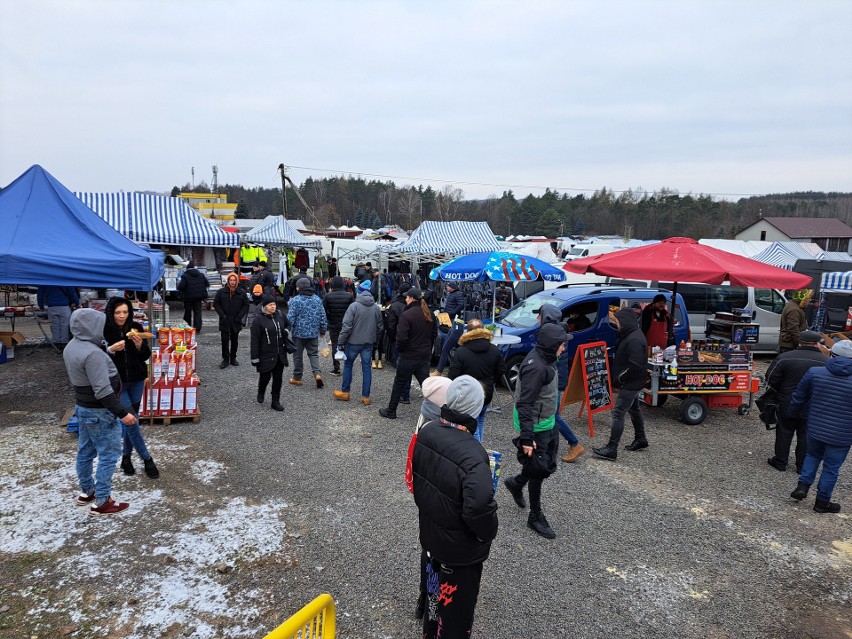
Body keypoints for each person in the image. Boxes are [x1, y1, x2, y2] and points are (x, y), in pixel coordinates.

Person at [412, 375, 498, 639]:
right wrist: (486, 534)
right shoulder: (473, 455)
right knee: (457, 610)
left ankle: (430, 631)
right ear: (475, 409)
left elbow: (419, 481)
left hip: (431, 533)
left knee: (434, 595)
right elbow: (480, 507)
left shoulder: (427, 432)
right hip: (460, 549)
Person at [63, 308, 137, 515]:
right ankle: (103, 500)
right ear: (90, 326)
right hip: (100, 412)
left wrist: (108, 351)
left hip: (83, 408)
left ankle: (88, 491)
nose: (102, 328)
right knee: (109, 454)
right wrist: (123, 413)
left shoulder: (72, 346)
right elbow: (102, 391)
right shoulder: (92, 353)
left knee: (85, 451)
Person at [503, 322, 567, 539]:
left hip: (546, 421)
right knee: (539, 469)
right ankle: (535, 516)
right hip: (535, 425)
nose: (563, 348)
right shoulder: (537, 367)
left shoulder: (546, 357)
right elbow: (524, 404)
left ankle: (516, 482)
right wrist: (528, 439)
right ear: (551, 346)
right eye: (561, 344)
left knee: (546, 464)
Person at [788, 340, 852, 513]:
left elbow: (799, 396)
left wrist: (793, 413)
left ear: (831, 355)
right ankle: (822, 502)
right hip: (843, 433)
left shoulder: (815, 372)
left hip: (815, 426)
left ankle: (802, 487)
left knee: (812, 456)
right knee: (831, 468)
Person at [103, 297, 159, 479]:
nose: (122, 316)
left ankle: (126, 457)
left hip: (136, 379)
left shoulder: (136, 327)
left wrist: (139, 345)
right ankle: (147, 458)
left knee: (132, 419)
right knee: (132, 420)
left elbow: (146, 355)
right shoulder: (104, 330)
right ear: (111, 313)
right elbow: (97, 358)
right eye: (118, 312)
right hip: (117, 383)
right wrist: (110, 350)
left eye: (125, 312)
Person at [765, 330, 828, 473]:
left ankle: (780, 461)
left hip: (787, 400)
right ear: (818, 344)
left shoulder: (784, 358)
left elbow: (770, 378)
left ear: (799, 342)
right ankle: (802, 466)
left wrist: (781, 390)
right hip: (812, 404)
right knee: (805, 433)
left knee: (784, 431)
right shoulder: (825, 362)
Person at [592, 308, 650, 461]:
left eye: (617, 321)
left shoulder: (634, 339)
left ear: (624, 322)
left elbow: (635, 366)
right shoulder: (631, 334)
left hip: (631, 382)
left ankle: (612, 448)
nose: (616, 324)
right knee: (634, 409)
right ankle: (641, 439)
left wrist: (619, 379)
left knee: (618, 413)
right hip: (635, 381)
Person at [534, 304, 584, 462]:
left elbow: (549, 359)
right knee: (550, 414)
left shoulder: (554, 334)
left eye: (539, 315)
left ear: (545, 316)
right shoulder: (557, 331)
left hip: (555, 381)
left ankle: (574, 444)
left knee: (553, 415)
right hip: (556, 379)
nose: (536, 318)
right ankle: (550, 443)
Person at [379, 288, 437, 419]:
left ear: (411, 299)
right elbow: (434, 335)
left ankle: (391, 410)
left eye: (407, 297)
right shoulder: (430, 314)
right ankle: (438, 411)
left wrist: (401, 350)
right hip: (424, 356)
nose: (405, 299)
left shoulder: (407, 315)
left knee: (399, 383)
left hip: (409, 356)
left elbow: (401, 338)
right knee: (426, 385)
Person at [447, 319, 504, 442]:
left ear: (468, 331)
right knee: (480, 420)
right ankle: (479, 447)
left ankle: (477, 451)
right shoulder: (494, 349)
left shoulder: (461, 351)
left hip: (467, 394)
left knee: (472, 424)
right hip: (487, 392)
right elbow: (500, 371)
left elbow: (453, 376)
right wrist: (491, 382)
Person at [333, 280, 383, 405]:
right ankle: (366, 396)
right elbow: (380, 327)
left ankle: (345, 391)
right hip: (368, 343)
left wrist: (340, 343)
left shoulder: (354, 306)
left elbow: (346, 327)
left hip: (354, 342)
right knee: (366, 368)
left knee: (348, 365)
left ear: (358, 293)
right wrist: (375, 340)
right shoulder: (376, 308)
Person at [250, 294, 291, 411]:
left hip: (280, 353)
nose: (273, 307)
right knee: (265, 376)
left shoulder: (280, 315)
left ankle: (275, 401)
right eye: (270, 305)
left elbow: (288, 324)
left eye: (274, 304)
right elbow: (255, 340)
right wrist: (254, 357)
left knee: (278, 378)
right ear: (264, 306)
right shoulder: (258, 320)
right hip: (265, 354)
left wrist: (286, 331)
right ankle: (261, 390)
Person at [287, 277, 328, 388]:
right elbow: (323, 316)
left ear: (298, 287)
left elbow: (290, 318)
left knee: (297, 355)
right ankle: (317, 374)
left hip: (298, 334)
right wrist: (323, 330)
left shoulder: (296, 300)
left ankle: (297, 377)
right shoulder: (317, 299)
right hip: (313, 333)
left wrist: (286, 330)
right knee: (313, 354)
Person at [214, 272, 249, 369]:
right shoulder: (221, 292)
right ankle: (225, 359)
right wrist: (222, 315)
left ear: (237, 281)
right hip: (224, 320)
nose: (232, 282)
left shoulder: (241, 292)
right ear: (228, 281)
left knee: (234, 340)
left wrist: (239, 317)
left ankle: (233, 358)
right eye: (231, 280)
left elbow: (246, 305)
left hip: (236, 320)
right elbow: (216, 304)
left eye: (234, 280)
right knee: (224, 340)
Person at [323, 276, 355, 376]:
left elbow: (324, 311)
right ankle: (348, 366)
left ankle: (336, 368)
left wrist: (329, 318)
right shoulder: (349, 296)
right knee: (347, 345)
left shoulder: (328, 296)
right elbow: (353, 311)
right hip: (346, 324)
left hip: (333, 324)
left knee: (335, 346)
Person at [433, 281, 466, 375]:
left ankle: (444, 369)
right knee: (447, 346)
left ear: (452, 287)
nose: (446, 287)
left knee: (448, 347)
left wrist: (452, 312)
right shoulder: (451, 294)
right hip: (450, 319)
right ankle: (445, 368)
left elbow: (461, 305)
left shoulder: (458, 294)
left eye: (448, 286)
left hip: (454, 321)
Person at [177, 261, 208, 333]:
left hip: (188, 297)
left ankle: (187, 327)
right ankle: (197, 328)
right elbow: (206, 284)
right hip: (198, 297)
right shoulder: (201, 275)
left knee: (188, 312)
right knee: (197, 312)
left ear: (187, 269)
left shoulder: (185, 276)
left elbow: (181, 287)